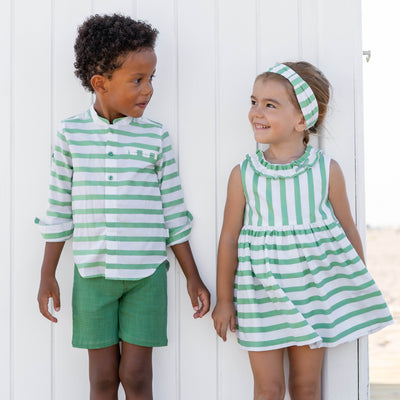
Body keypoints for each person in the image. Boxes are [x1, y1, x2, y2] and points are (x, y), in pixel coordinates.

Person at [36, 14, 210, 400]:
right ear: (100, 83)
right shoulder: (71, 134)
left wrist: (193, 277)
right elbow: (58, 209)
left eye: (151, 78)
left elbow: (174, 213)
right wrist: (47, 275)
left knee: (137, 376)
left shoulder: (156, 137)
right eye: (138, 80)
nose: (149, 90)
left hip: (146, 275)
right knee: (101, 379)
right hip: (92, 275)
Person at [212, 61, 393, 400]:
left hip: (313, 294)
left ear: (301, 120)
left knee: (306, 387)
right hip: (259, 296)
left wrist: (356, 285)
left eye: (270, 104)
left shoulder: (326, 170)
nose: (256, 112)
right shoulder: (244, 174)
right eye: (254, 101)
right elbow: (229, 238)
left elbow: (347, 230)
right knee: (268, 389)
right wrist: (224, 300)